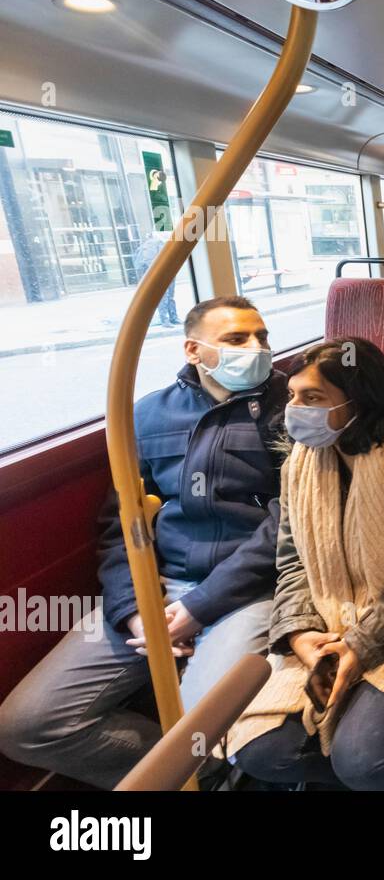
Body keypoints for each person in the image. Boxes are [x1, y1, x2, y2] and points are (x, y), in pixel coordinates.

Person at [0, 296, 287, 789]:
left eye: (261, 336)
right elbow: (119, 527)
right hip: (159, 587)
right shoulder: (148, 415)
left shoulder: (293, 406)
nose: (256, 348)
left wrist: (200, 606)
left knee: (204, 731)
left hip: (248, 590)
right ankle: (192, 770)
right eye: (237, 339)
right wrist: (135, 609)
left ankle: (196, 762)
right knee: (26, 725)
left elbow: (293, 523)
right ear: (194, 350)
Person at [227, 338, 384, 792]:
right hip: (327, 613)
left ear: (358, 400)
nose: (295, 410)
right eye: (293, 396)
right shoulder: (300, 463)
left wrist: (363, 642)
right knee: (258, 751)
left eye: (313, 399)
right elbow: (292, 559)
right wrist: (300, 630)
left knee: (363, 759)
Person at [134, 230, 180, 327]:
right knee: (166, 296)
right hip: (165, 272)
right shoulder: (156, 243)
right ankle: (169, 319)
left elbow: (140, 264)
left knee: (166, 296)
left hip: (164, 272)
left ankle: (169, 318)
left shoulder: (153, 244)